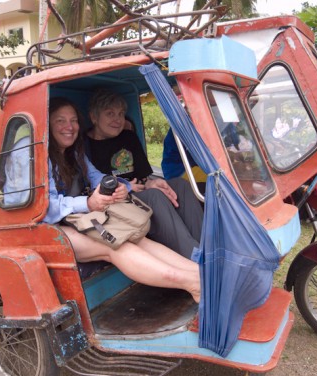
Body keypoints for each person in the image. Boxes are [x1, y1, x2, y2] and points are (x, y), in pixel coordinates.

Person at [42, 97, 200, 302]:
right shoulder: (35, 156)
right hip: (45, 228)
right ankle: (192, 284)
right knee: (116, 245)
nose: (69, 127)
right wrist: (88, 203)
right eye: (60, 121)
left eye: (73, 121)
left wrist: (120, 187)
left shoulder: (74, 153)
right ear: (47, 125)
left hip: (76, 218)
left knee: (135, 236)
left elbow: (97, 176)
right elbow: (44, 206)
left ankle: (200, 273)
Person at [85, 90, 204, 259]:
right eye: (110, 114)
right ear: (94, 117)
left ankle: (205, 247)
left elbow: (143, 175)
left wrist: (150, 183)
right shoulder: (85, 146)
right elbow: (92, 184)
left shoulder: (128, 137)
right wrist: (128, 188)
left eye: (120, 114)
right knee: (155, 196)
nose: (117, 120)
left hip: (140, 190)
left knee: (180, 185)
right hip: (115, 200)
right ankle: (195, 258)